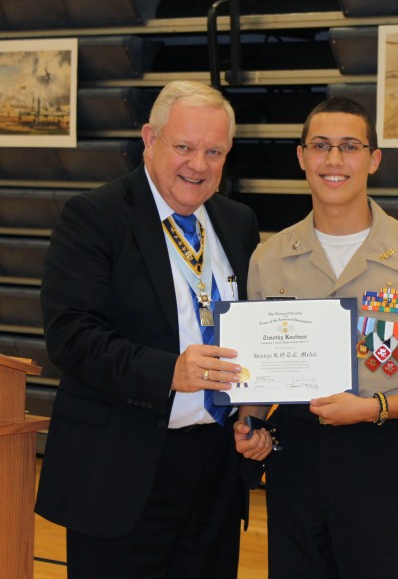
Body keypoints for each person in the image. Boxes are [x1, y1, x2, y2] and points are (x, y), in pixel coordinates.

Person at [234, 96, 398, 578]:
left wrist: (374, 408)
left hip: (381, 456)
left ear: (373, 159)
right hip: (296, 459)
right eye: (321, 146)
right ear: (301, 156)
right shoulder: (268, 259)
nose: (334, 160)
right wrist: (249, 427)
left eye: (349, 146)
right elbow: (259, 374)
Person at [35, 80, 263, 578]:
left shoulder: (237, 221)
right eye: (183, 146)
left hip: (217, 471)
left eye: (214, 151)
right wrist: (169, 372)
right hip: (122, 471)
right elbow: (71, 337)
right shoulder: (94, 216)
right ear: (149, 139)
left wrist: (257, 412)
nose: (198, 165)